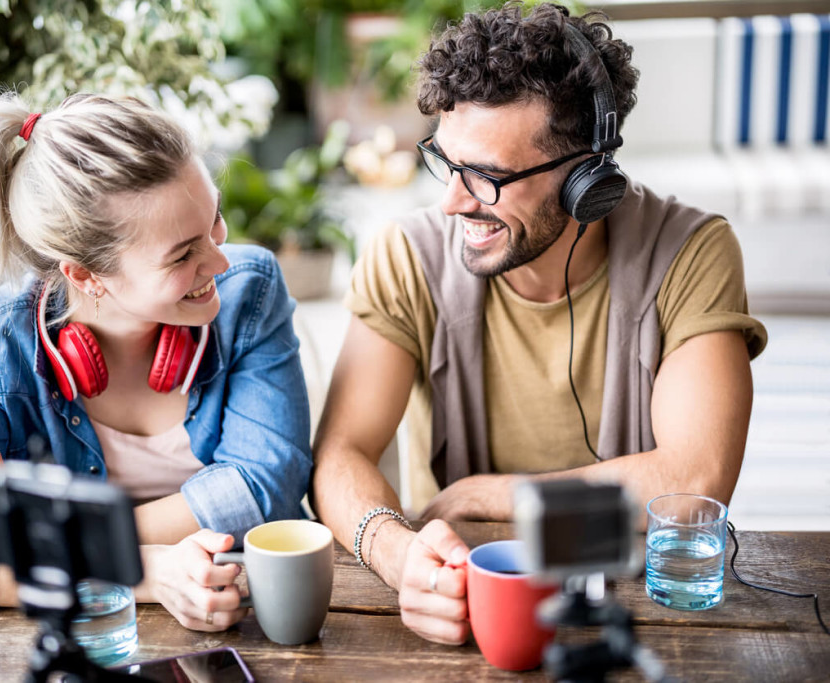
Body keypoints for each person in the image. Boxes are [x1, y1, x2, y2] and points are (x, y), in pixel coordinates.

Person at [310, 2, 767, 646]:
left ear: (587, 178)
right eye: (446, 162)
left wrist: (483, 494)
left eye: (489, 178)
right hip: (470, 596)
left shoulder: (692, 252)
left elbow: (693, 487)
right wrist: (393, 551)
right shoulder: (406, 253)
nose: (453, 200)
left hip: (636, 611)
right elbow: (338, 455)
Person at [0, 92, 312, 632]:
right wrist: (144, 570)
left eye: (213, 219)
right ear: (85, 275)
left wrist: (44, 531)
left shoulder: (249, 293)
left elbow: (263, 486)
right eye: (182, 253)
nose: (220, 260)